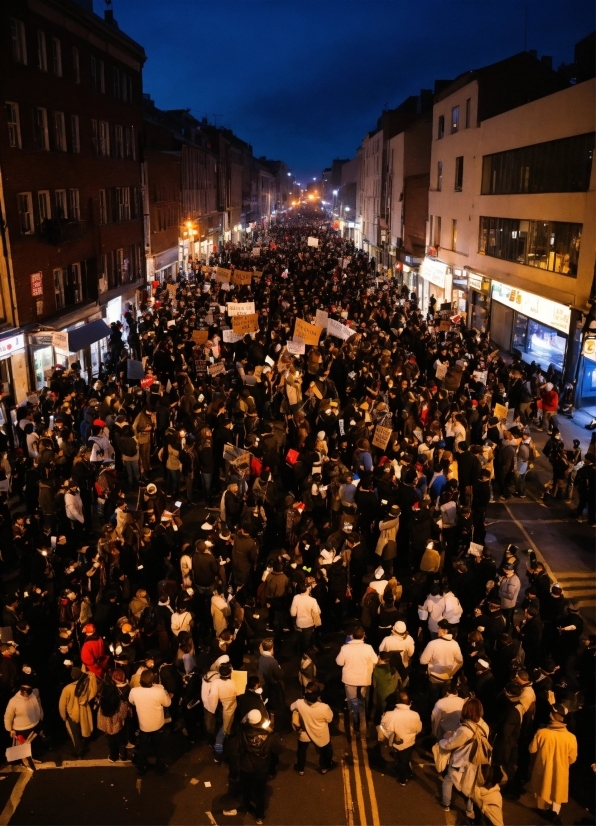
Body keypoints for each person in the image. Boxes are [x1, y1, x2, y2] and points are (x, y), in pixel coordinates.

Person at [439, 697, 491, 818]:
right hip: (476, 763)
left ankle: (446, 804)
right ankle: (469, 811)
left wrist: (443, 740)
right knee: (471, 788)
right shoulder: (485, 726)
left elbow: (451, 744)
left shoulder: (465, 729)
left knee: (448, 780)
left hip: (460, 762)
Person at [528, 703, 578, 823]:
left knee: (542, 789)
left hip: (543, 769)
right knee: (557, 791)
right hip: (561, 771)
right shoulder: (571, 737)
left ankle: (542, 809)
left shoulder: (542, 733)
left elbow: (532, 749)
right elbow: (573, 758)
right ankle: (554, 813)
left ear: (551, 715)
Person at [235, 708, 283, 825]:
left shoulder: (242, 734)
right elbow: (279, 749)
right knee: (260, 793)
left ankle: (247, 806)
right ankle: (259, 815)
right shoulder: (269, 736)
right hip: (261, 769)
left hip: (246, 767)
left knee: (246, 789)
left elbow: (237, 749)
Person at [128, 668, 172, 775]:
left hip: (144, 725)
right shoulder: (159, 691)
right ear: (152, 681)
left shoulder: (134, 691)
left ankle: (142, 766)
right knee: (159, 747)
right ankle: (160, 766)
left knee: (143, 747)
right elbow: (167, 703)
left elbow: (131, 701)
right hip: (158, 724)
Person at [336, 626, 378, 730]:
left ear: (352, 636)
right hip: (364, 679)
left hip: (349, 680)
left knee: (352, 701)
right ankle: (364, 719)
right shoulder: (368, 648)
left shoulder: (345, 648)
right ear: (363, 636)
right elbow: (375, 660)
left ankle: (355, 721)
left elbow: (339, 662)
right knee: (363, 701)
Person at [290, 681, 335, 775]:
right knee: (325, 751)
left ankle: (300, 768)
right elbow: (329, 719)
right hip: (320, 734)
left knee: (302, 750)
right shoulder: (324, 707)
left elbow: (291, 707)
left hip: (304, 733)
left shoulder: (299, 703)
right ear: (318, 695)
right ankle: (325, 767)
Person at [380, 690, 422, 785]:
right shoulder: (415, 715)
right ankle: (408, 773)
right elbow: (418, 729)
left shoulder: (389, 714)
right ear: (409, 702)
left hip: (395, 741)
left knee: (400, 760)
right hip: (409, 742)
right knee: (405, 759)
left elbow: (383, 727)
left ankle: (403, 779)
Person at [58, 667, 98, 758]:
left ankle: (79, 752)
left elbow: (62, 705)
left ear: (72, 676)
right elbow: (93, 692)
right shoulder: (85, 686)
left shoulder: (67, 689)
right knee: (84, 729)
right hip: (84, 712)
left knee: (75, 734)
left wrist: (63, 716)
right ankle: (84, 744)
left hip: (72, 714)